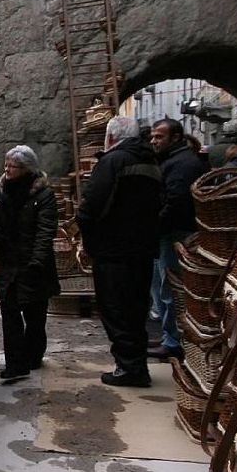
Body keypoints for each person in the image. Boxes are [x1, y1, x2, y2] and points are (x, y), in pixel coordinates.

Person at [77, 116, 162, 388]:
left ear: (111, 137)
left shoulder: (113, 161)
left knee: (116, 308)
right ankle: (135, 364)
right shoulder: (150, 162)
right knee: (136, 308)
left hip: (114, 250)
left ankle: (129, 368)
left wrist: (88, 237)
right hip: (142, 248)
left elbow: (92, 206)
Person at [0, 146, 60, 380]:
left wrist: (38, 260)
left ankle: (33, 355)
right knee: (9, 312)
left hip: (32, 262)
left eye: (13, 166)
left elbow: (45, 229)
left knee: (35, 315)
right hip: (9, 261)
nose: (7, 170)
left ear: (26, 169)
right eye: (6, 165)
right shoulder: (2, 189)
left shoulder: (43, 195)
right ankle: (16, 364)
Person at [148, 119, 209, 360]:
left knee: (169, 288)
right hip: (169, 232)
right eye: (153, 136)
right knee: (163, 287)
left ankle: (173, 340)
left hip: (174, 233)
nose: (154, 141)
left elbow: (176, 202)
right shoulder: (175, 160)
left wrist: (156, 226)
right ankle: (168, 336)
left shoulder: (181, 164)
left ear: (175, 138)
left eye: (159, 137)